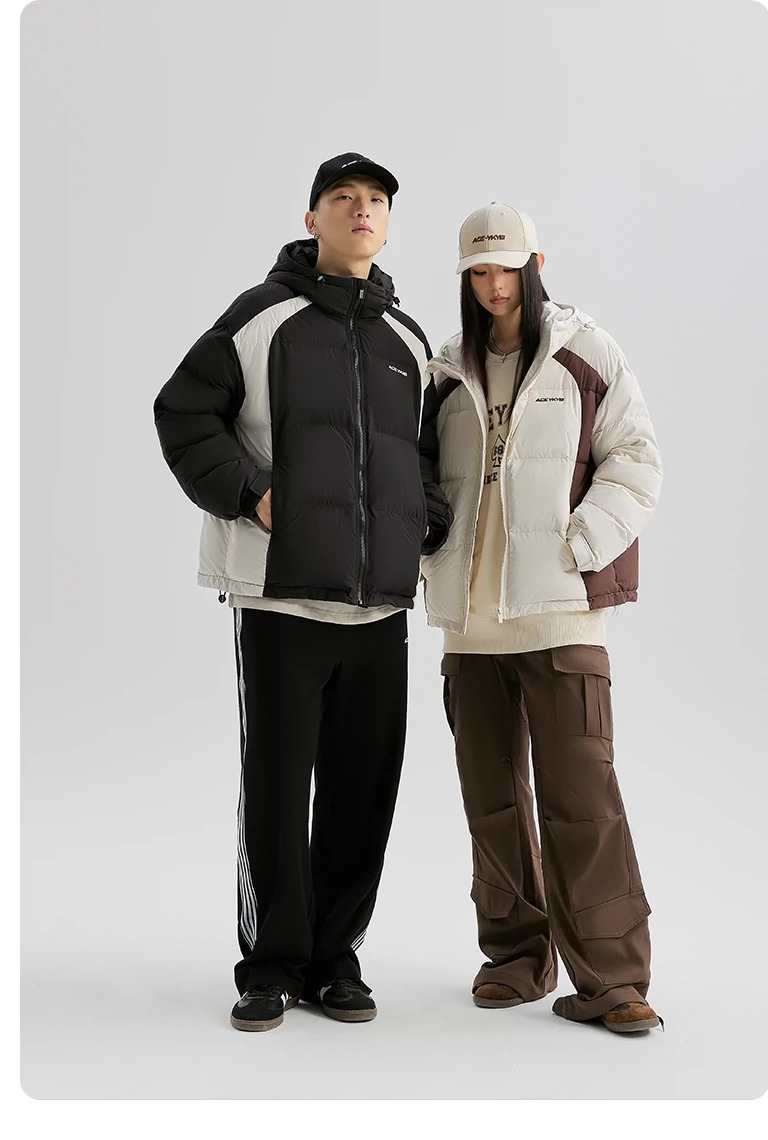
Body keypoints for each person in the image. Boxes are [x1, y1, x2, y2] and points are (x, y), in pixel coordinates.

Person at [153, 152, 452, 1032]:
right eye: (343, 198)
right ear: (312, 218)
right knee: (279, 790)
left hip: (379, 606)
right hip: (280, 597)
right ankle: (271, 964)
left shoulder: (408, 340)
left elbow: (424, 454)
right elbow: (182, 411)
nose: (362, 210)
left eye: (376, 201)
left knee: (365, 789)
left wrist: (422, 523)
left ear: (388, 224)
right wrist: (251, 492)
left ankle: (334, 960)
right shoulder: (262, 316)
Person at [419, 202, 664, 1033]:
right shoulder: (445, 368)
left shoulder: (586, 350)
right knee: (491, 803)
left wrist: (578, 546)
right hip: (470, 626)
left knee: (583, 801)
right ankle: (515, 958)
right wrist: (426, 550)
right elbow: (422, 480)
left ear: (536, 265)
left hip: (561, 619)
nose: (494, 287)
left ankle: (613, 980)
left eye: (507, 269)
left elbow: (636, 458)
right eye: (478, 272)